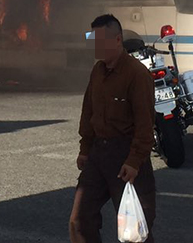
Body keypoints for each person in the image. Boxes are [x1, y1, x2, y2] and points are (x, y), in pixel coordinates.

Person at [70, 14, 156, 243]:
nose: (96, 47)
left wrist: (134, 161)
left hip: (126, 156)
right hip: (98, 154)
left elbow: (146, 125)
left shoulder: (137, 74)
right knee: (79, 221)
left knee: (135, 231)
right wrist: (85, 149)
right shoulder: (97, 71)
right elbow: (88, 112)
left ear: (117, 40)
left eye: (100, 41)